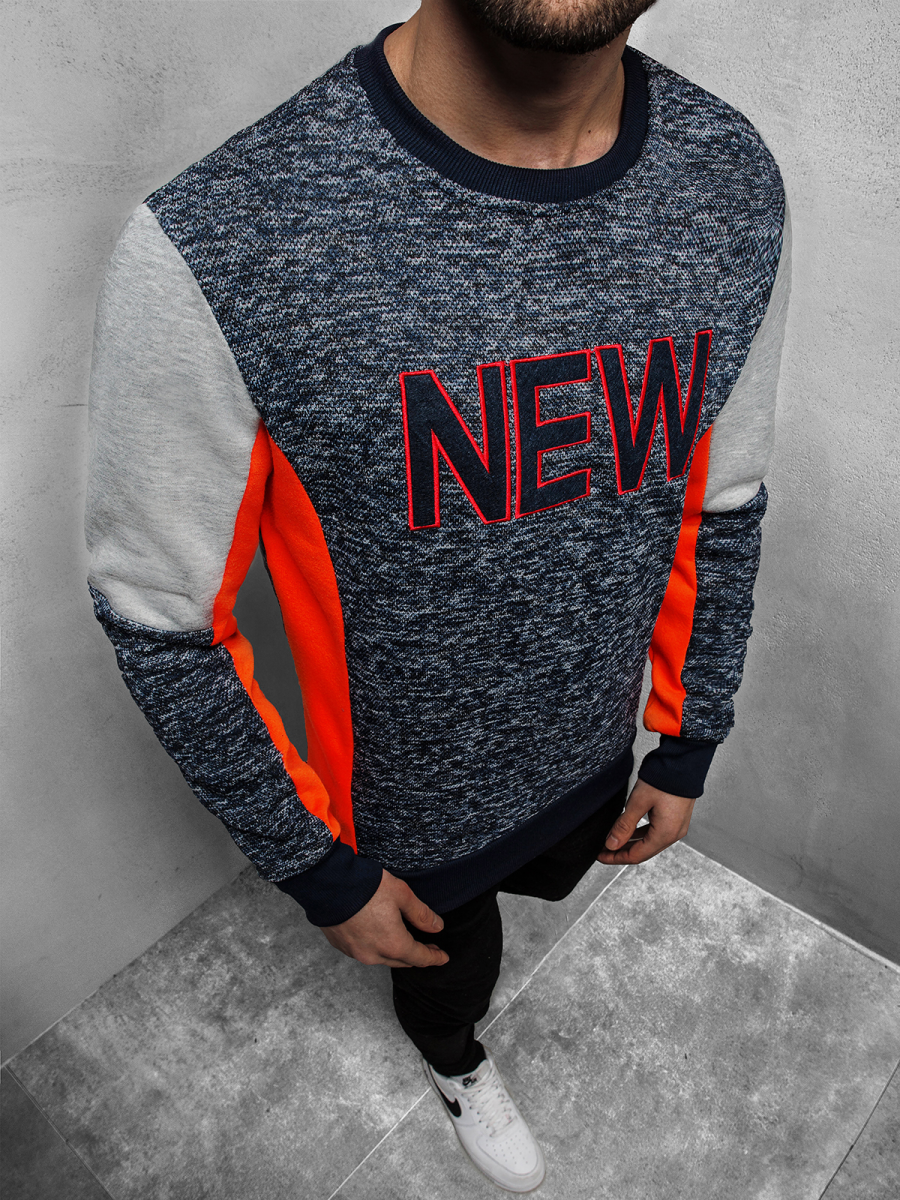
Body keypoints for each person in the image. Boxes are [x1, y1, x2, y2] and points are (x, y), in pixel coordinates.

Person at [85, 0, 790, 1191]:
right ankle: (457, 1061)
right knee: (449, 978)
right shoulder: (220, 240)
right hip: (400, 815)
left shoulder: (732, 180)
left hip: (594, 746)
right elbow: (162, 623)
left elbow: (721, 503)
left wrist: (686, 737)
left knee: (548, 883)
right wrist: (318, 870)